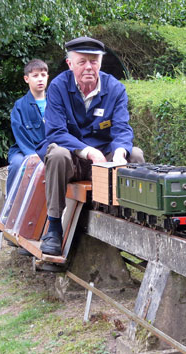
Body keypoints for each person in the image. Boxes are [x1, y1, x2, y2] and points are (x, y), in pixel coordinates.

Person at [36, 36, 144, 256]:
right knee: (56, 154)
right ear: (70, 64)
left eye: (93, 61)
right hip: (73, 160)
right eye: (82, 61)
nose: (88, 67)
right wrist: (88, 152)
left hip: (104, 160)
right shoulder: (57, 87)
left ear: (101, 63)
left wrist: (121, 152)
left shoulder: (116, 89)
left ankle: (133, 225)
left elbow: (122, 129)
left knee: (136, 155)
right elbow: (56, 132)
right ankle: (54, 228)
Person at [6, 59, 49, 195]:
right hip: (24, 150)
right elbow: (19, 134)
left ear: (47, 77)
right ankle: (11, 206)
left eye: (43, 75)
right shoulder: (19, 106)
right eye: (35, 76)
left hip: (50, 150)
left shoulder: (55, 102)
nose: (40, 79)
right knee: (17, 164)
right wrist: (32, 155)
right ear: (26, 79)